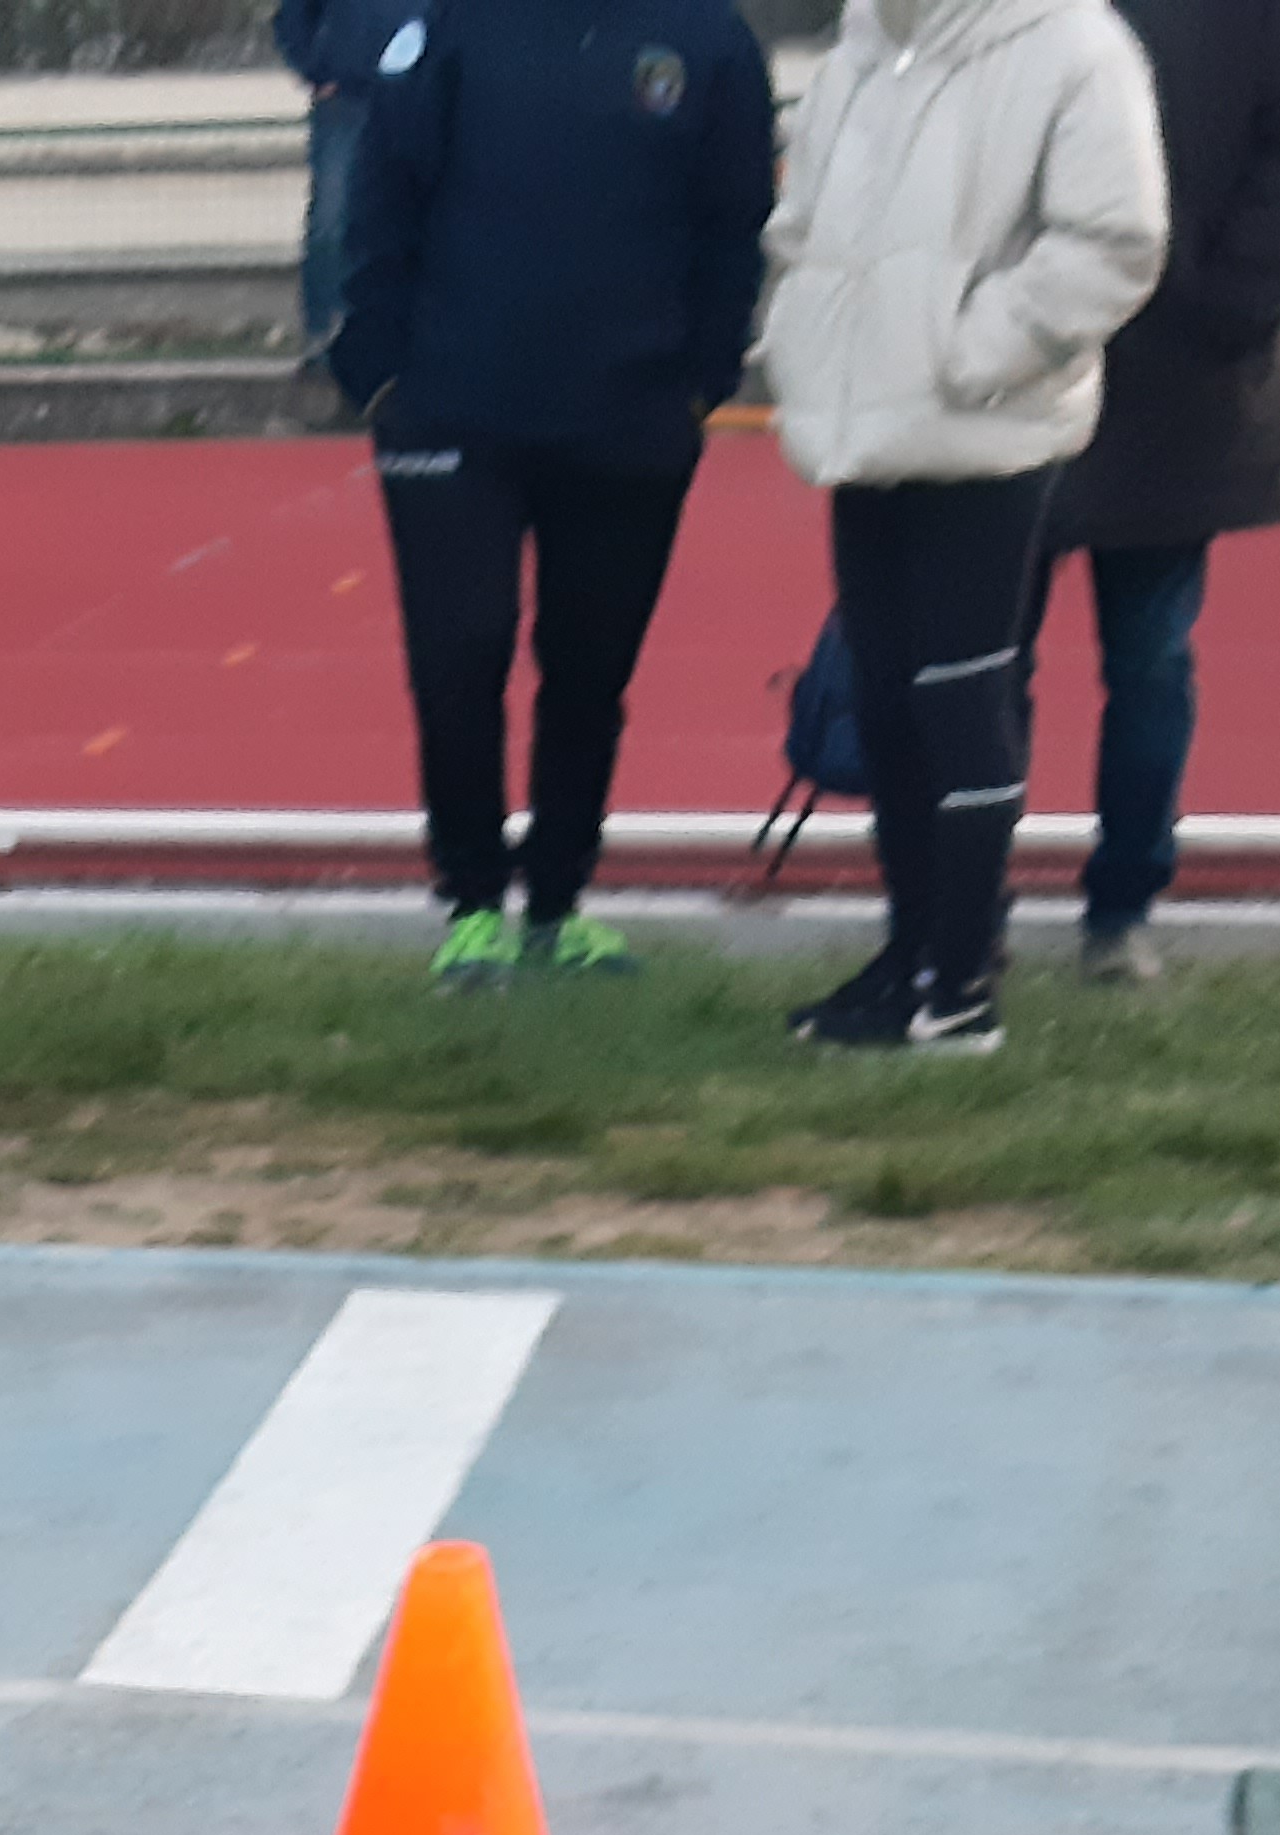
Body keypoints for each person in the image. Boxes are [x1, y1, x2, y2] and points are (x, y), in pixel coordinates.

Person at [330, 0, 776, 985]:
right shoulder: (448, 27)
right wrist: (383, 375)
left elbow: (734, 221)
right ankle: (471, 903)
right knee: (459, 657)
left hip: (631, 418)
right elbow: (382, 198)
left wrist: (703, 379)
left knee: (589, 671)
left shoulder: (708, 39)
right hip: (452, 413)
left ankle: (558, 905)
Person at [755, 0, 1164, 1054]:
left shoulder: (1074, 45)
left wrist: (968, 354)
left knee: (959, 696)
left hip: (987, 432)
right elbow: (805, 226)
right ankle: (910, 958)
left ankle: (961, 981)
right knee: (886, 700)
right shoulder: (863, 49)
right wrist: (804, 337)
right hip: (864, 428)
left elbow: (1114, 241)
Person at [1027, 0, 1280, 984]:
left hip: (1181, 373)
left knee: (1149, 661)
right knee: (985, 664)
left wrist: (1235, 298)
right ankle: (962, 909)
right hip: (1024, 356)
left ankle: (1122, 905)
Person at [272, 0, 386, 372]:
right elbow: (293, 16)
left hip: (424, 94)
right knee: (330, 222)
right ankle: (324, 335)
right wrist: (316, 69)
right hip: (345, 103)